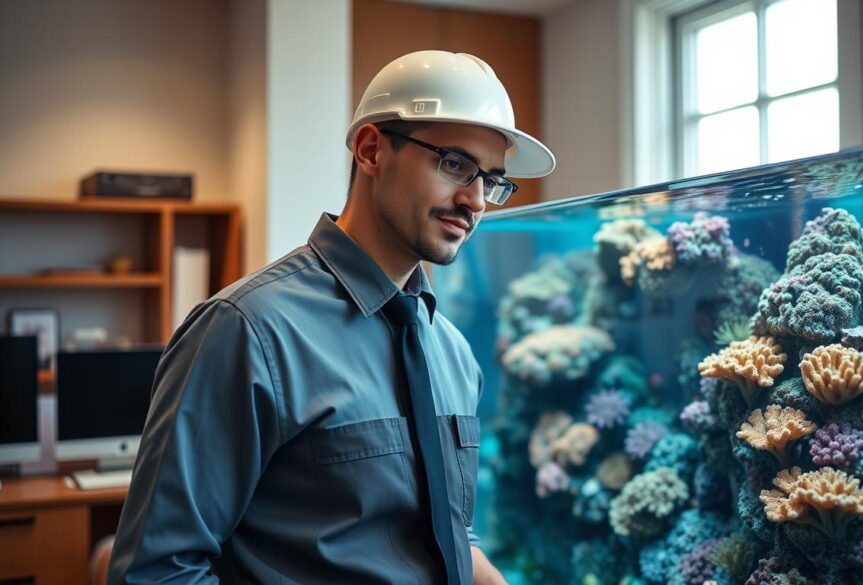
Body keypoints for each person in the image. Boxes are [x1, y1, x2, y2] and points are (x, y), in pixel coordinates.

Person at [107, 50, 555, 584]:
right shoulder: (247, 330)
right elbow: (160, 571)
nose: (475, 200)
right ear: (371, 150)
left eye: (492, 180)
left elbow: (449, 534)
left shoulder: (452, 351)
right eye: (455, 164)